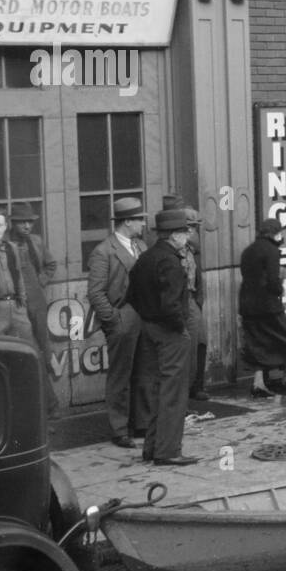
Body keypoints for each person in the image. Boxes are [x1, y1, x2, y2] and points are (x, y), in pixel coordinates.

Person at [126, 209, 198, 465]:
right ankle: (167, 451)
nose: (187, 235)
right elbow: (171, 306)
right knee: (174, 393)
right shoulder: (171, 262)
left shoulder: (145, 258)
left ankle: (152, 448)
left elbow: (131, 295)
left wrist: (149, 317)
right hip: (170, 333)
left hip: (149, 328)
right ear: (174, 235)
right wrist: (180, 328)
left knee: (159, 390)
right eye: (184, 231)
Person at [87, 197, 150, 449]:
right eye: (139, 219)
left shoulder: (142, 246)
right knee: (120, 375)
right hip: (122, 319)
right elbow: (95, 292)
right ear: (127, 222)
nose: (143, 223)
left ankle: (142, 423)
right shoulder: (104, 251)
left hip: (144, 318)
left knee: (144, 371)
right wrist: (114, 320)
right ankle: (120, 429)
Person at [240, 218, 286, 397]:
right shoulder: (272, 251)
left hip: (247, 305)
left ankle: (258, 383)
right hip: (268, 306)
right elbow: (272, 281)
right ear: (276, 233)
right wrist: (281, 283)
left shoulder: (248, 251)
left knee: (257, 343)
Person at [9, 203, 60, 416]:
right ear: (13, 223)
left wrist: (40, 281)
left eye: (30, 222)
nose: (27, 226)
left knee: (44, 345)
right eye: (22, 222)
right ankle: (49, 404)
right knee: (31, 350)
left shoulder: (36, 242)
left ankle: (51, 370)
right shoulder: (5, 245)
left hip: (37, 300)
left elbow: (51, 264)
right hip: (18, 304)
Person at [162, 193, 208, 401]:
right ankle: (186, 390)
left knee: (200, 341)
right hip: (181, 299)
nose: (189, 230)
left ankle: (195, 385)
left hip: (191, 296)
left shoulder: (187, 243)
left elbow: (196, 245)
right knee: (187, 345)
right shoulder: (169, 246)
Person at [0, 205, 35, 344]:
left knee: (27, 345)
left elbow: (19, 274)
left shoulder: (12, 248)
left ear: (5, 227)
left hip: (17, 307)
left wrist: (22, 301)